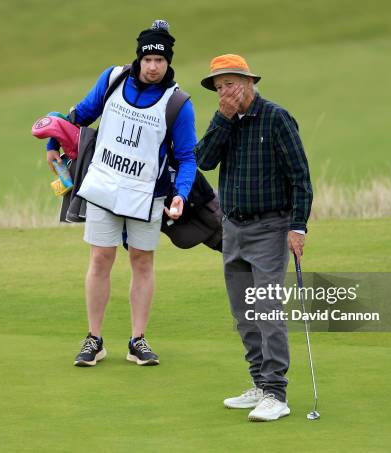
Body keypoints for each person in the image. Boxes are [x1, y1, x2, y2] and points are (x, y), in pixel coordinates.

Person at [46, 20, 196, 367]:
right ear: (139, 59)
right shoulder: (112, 80)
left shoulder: (177, 103)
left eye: (161, 60)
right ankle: (94, 339)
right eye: (149, 59)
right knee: (100, 259)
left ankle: (137, 340)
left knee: (142, 262)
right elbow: (80, 115)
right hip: (103, 188)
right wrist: (54, 141)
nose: (154, 66)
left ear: (168, 62)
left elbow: (187, 157)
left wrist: (181, 194)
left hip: (147, 196)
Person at [195, 54, 313, 421]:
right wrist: (222, 119)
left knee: (267, 308)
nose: (224, 93)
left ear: (248, 83)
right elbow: (203, 159)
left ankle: (277, 393)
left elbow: (300, 177)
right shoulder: (225, 122)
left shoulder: (276, 118)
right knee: (243, 311)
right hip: (232, 229)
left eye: (230, 84)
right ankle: (260, 384)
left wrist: (298, 226)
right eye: (218, 88)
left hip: (270, 228)